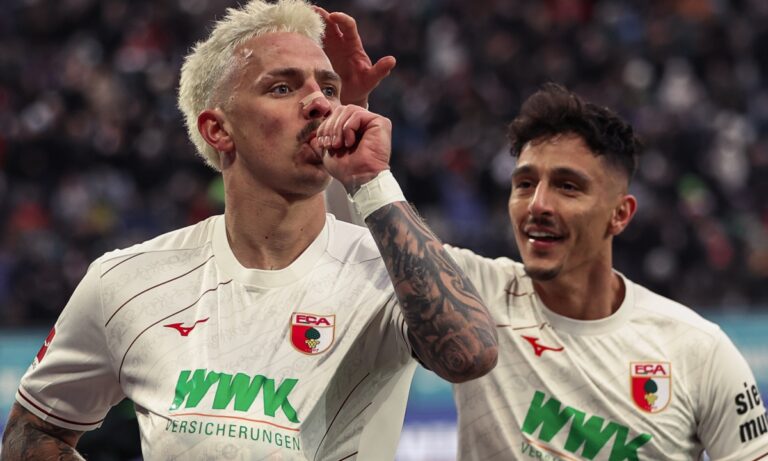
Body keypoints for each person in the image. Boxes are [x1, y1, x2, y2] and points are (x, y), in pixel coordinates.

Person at [0, 1, 499, 460]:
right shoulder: (126, 281)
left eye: (328, 89)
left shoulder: (390, 269)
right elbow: (32, 433)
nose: (319, 103)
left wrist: (372, 181)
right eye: (282, 88)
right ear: (218, 130)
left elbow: (470, 356)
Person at [313, 15, 768, 459]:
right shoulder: (469, 294)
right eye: (525, 184)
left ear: (620, 214)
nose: (538, 204)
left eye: (568, 186)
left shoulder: (698, 349)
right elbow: (362, 238)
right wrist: (346, 109)